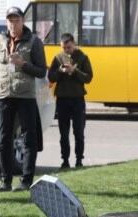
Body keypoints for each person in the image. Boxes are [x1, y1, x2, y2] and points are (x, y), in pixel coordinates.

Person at [0, 7, 47, 192]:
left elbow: (41, 71)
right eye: (10, 20)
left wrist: (23, 65)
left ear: (22, 21)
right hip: (4, 95)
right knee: (4, 138)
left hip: (25, 96)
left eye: (16, 20)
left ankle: (26, 180)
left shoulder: (34, 41)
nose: (13, 24)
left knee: (29, 138)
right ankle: (5, 180)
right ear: (6, 22)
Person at [48, 33, 93, 169]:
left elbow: (88, 78)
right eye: (64, 48)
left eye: (68, 47)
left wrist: (75, 71)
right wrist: (60, 71)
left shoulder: (83, 57)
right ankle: (65, 160)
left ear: (74, 43)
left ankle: (79, 159)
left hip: (77, 99)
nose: (66, 50)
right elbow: (51, 77)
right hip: (62, 100)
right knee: (63, 133)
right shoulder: (57, 58)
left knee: (78, 131)